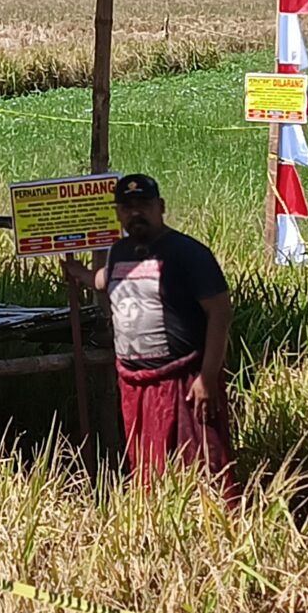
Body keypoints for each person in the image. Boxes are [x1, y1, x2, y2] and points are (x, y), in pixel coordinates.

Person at [64, 172, 236, 495]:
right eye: (127, 207)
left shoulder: (188, 254)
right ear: (118, 213)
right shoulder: (119, 253)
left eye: (143, 205)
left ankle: (210, 535)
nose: (135, 213)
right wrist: (80, 274)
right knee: (149, 473)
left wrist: (208, 377)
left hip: (184, 384)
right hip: (135, 386)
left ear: (161, 206)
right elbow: (105, 280)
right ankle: (155, 534)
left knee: (200, 471)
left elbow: (220, 312)